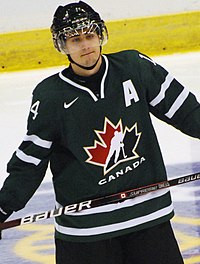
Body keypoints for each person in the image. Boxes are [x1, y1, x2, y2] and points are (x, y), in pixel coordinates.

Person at [0, 1, 199, 263]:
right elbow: (31, 162)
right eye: (75, 39)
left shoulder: (134, 67)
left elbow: (188, 112)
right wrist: (4, 206)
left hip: (148, 219)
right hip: (86, 233)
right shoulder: (50, 97)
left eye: (90, 36)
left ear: (100, 35)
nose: (85, 46)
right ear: (63, 46)